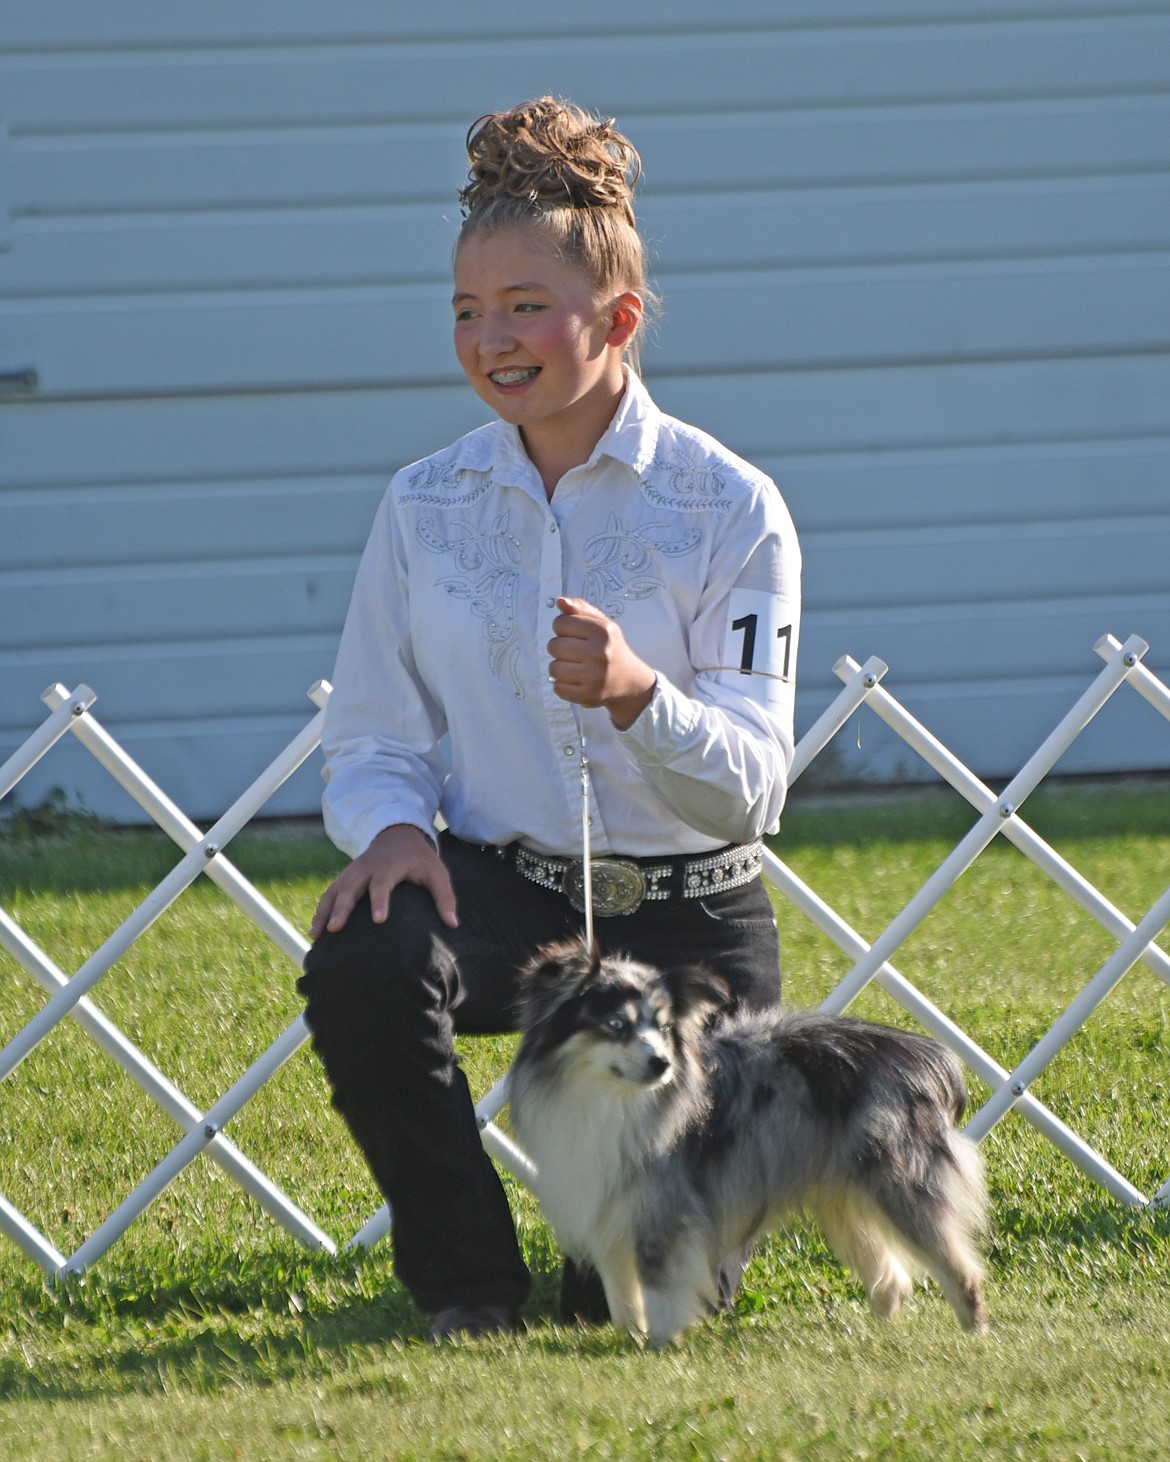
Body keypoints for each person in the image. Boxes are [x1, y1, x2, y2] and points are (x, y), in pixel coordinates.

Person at [298, 96, 802, 1341]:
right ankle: (466, 1281)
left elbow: (753, 788)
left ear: (619, 320)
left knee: (634, 1303)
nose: (491, 338)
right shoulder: (421, 505)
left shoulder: (734, 507)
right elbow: (369, 731)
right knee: (364, 959)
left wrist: (639, 695)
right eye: (468, 310)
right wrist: (392, 827)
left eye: (527, 304)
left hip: (692, 923)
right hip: (507, 902)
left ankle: (594, 1268)